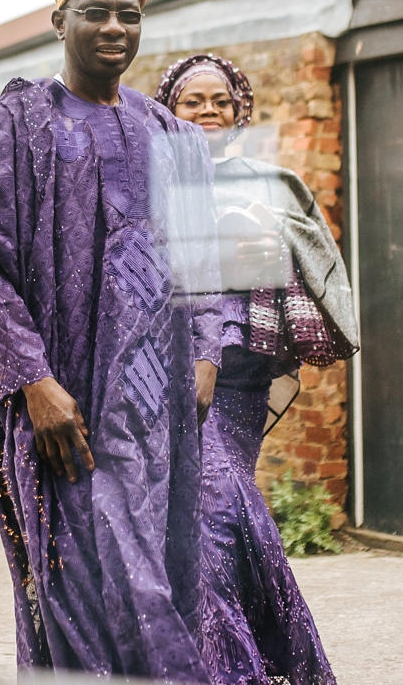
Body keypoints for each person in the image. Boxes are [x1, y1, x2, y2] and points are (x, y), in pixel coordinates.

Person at [0, 0, 222, 679]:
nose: (114, 27)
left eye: (129, 14)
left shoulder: (174, 139)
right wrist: (31, 379)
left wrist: (206, 356)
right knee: (77, 576)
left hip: (153, 409)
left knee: (154, 571)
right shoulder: (20, 123)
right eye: (95, 11)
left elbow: (203, 258)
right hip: (62, 406)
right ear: (58, 21)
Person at [156, 53, 358, 685]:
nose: (208, 111)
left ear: (240, 112)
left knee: (210, 506)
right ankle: (261, 664)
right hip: (159, 373)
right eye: (193, 101)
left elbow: (299, 273)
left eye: (220, 101)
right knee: (209, 513)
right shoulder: (149, 182)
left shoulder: (270, 184)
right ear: (169, 111)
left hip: (238, 379)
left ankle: (238, 665)